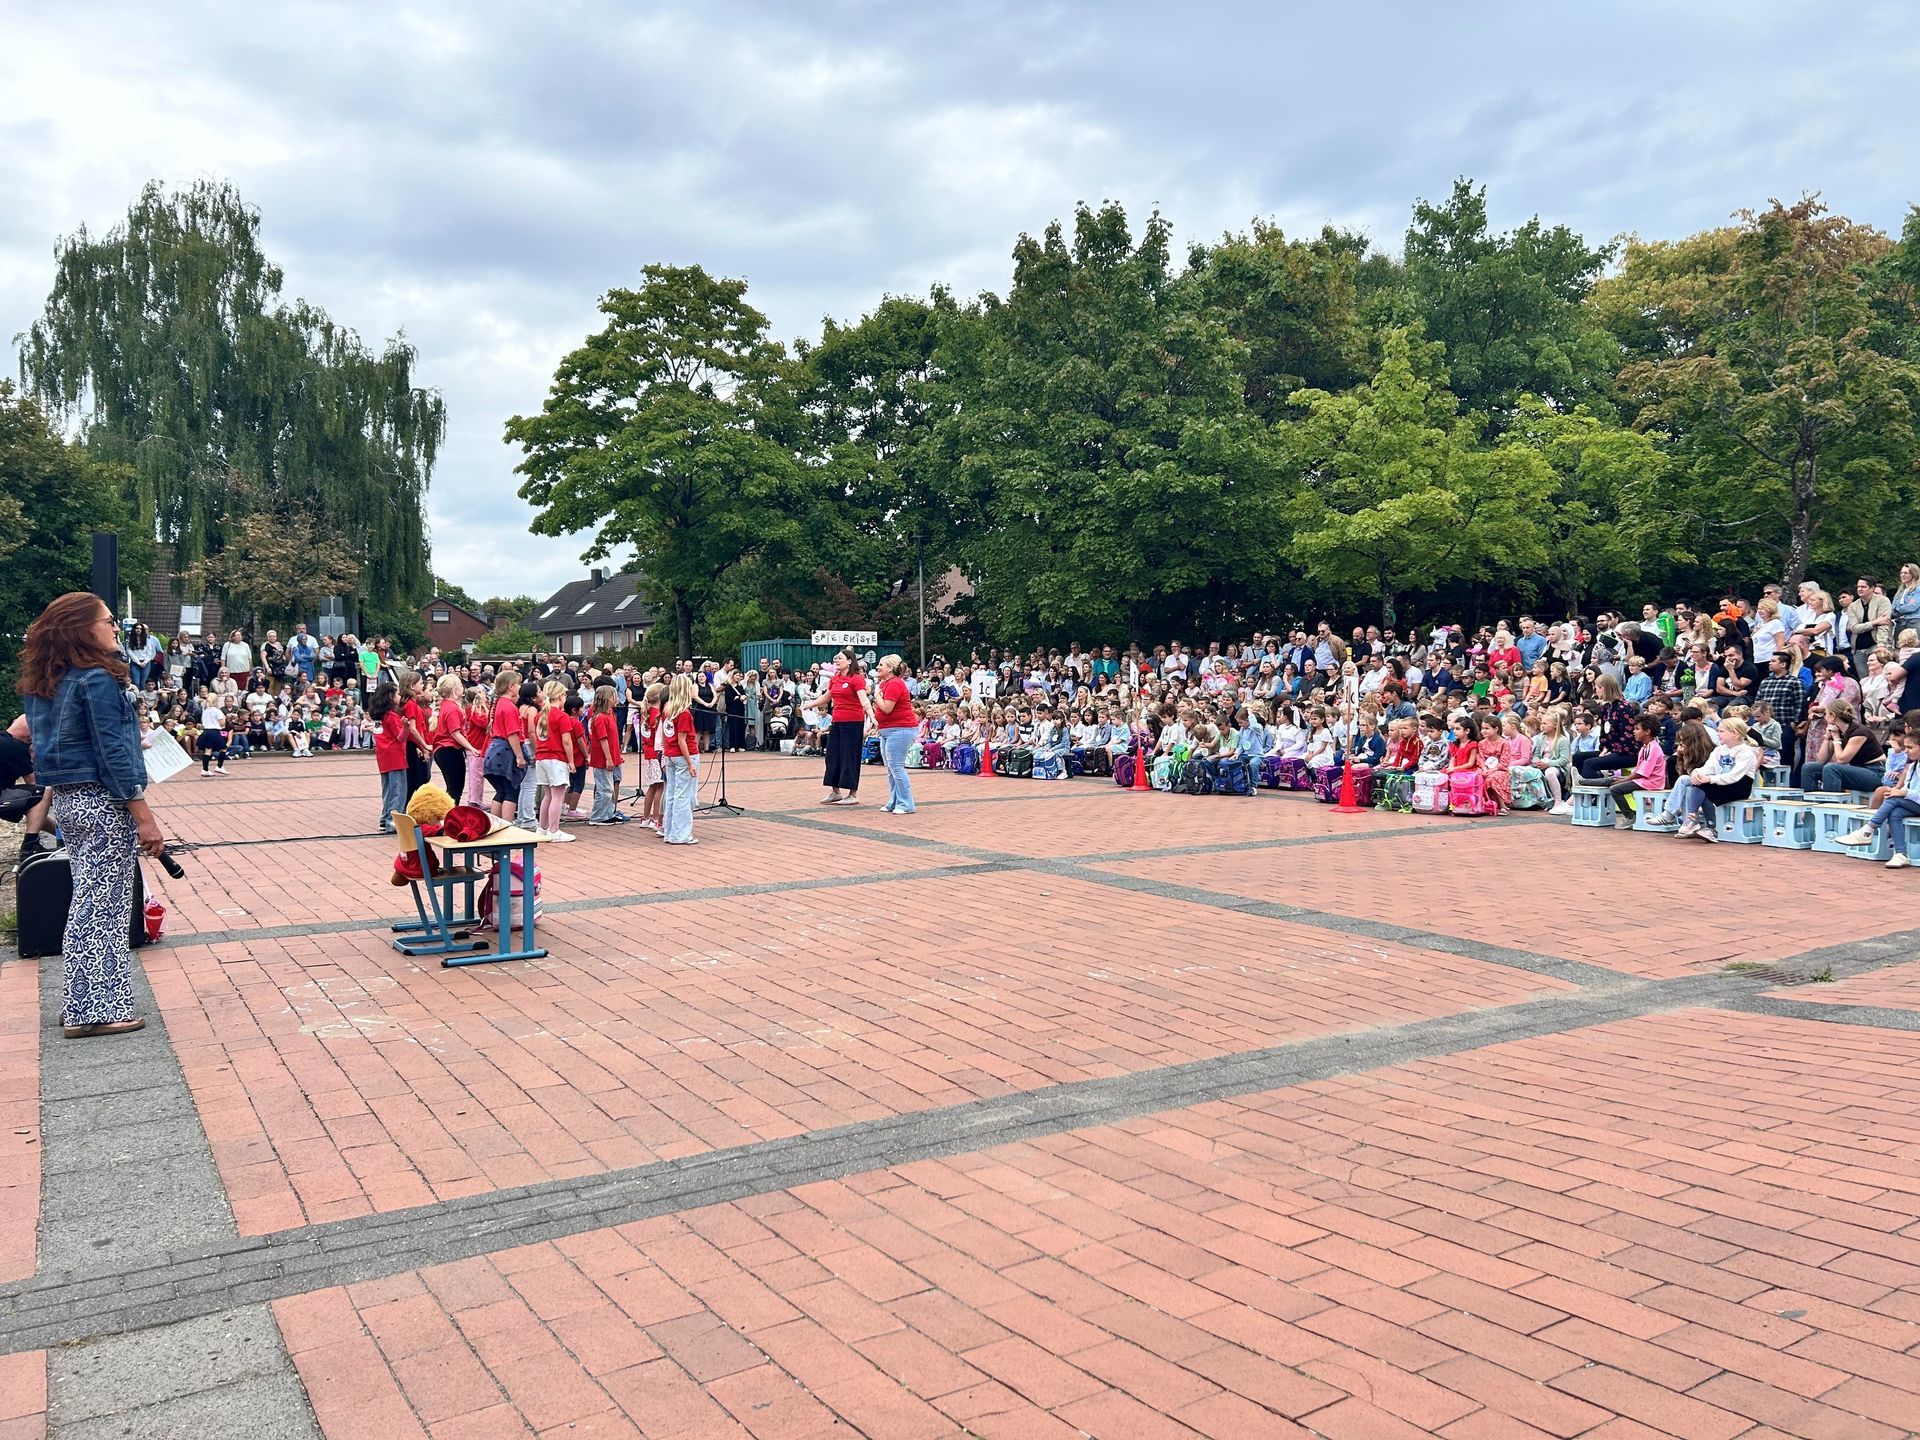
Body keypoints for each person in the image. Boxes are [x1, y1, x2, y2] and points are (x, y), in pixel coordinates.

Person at [17, 593, 169, 1039]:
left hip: (68, 800)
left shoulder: (47, 681)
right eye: (108, 621)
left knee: (87, 899)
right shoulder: (98, 680)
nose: (115, 628)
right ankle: (95, 1010)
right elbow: (114, 754)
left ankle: (80, 998)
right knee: (104, 907)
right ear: (80, 627)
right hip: (103, 802)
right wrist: (143, 815)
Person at [1675, 717, 1760, 840]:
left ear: (1734, 733)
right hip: (1720, 782)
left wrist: (1709, 779)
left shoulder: (1746, 752)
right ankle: (1694, 818)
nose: (1717, 733)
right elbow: (1708, 768)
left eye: (1721, 731)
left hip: (1739, 786)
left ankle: (1710, 828)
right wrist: (1697, 772)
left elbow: (1734, 776)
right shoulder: (1719, 749)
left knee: (1705, 788)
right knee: (1699, 784)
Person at [806, 650, 871, 805]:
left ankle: (853, 793)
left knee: (850, 756)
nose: (836, 660)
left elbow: (864, 699)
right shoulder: (835, 678)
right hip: (837, 722)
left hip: (853, 722)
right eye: (836, 658)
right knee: (833, 755)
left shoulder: (857, 679)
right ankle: (835, 792)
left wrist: (872, 716)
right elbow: (827, 696)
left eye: (840, 658)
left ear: (849, 661)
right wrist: (810, 704)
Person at [873, 654, 919, 814]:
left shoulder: (894, 684)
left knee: (896, 767)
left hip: (900, 729)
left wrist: (876, 695)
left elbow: (887, 708)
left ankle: (906, 803)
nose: (877, 667)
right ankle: (894, 801)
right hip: (888, 730)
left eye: (881, 665)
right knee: (891, 768)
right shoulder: (886, 683)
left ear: (890, 668)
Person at [660, 673, 699, 844]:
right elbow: (681, 739)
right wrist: (690, 762)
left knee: (672, 794)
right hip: (684, 755)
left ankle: (670, 832)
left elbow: (665, 733)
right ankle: (681, 834)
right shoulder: (684, 713)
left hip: (671, 755)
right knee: (683, 795)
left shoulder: (667, 709)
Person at [369, 681, 408, 834]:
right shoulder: (391, 716)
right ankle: (393, 820)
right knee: (398, 789)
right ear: (391, 697)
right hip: (395, 755)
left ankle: (385, 818)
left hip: (383, 755)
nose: (399, 697)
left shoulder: (379, 715)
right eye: (397, 694)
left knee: (387, 789)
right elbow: (400, 737)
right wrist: (406, 727)